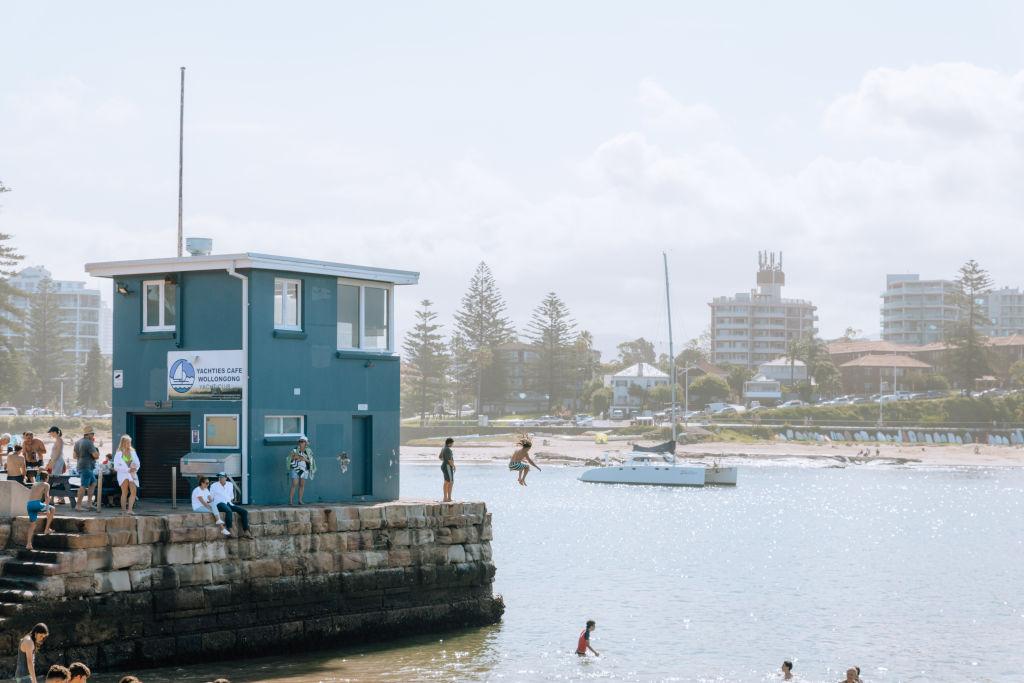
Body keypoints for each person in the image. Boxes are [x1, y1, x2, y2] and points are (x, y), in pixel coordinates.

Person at [210, 472, 251, 539]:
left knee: (244, 511)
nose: (220, 478)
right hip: (219, 503)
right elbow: (210, 497)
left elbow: (231, 497)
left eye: (222, 476)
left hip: (228, 503)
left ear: (226, 478)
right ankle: (230, 530)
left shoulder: (230, 484)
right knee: (229, 511)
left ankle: (246, 531)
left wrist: (231, 504)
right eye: (219, 477)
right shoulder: (214, 485)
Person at [26, 472, 55, 551]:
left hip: (29, 504)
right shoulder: (46, 484)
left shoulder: (35, 484)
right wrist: (48, 508)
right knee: (52, 509)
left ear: (39, 477)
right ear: (47, 477)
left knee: (32, 525)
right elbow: (47, 496)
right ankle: (46, 529)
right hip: (36, 503)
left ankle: (28, 543)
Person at [74, 428, 101, 513]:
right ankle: (78, 505)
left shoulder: (78, 442)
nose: (93, 436)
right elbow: (96, 456)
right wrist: (94, 447)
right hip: (87, 466)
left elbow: (74, 456)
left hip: (80, 465)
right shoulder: (89, 442)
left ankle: (88, 503)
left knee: (93, 482)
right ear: (89, 434)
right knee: (83, 485)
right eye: (92, 434)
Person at [113, 435, 141, 516]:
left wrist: (135, 469)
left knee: (134, 491)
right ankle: (124, 511)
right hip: (123, 474)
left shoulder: (133, 452)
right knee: (124, 492)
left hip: (132, 474)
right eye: (127, 442)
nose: (129, 444)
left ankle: (130, 510)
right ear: (123, 443)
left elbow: (138, 463)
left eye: (130, 442)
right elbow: (116, 467)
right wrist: (127, 470)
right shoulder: (119, 453)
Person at [286, 436, 315, 505]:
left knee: (302, 485)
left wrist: (304, 459)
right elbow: (289, 459)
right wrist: (293, 457)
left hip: (304, 470)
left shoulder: (309, 451)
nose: (300, 443)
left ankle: (300, 500)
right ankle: (290, 500)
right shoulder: (295, 449)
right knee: (294, 484)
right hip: (295, 468)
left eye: (302, 441)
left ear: (305, 443)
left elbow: (311, 461)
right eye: (299, 441)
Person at [440, 437, 455, 502]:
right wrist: (454, 466)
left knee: (446, 481)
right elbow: (449, 460)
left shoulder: (443, 448)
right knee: (450, 482)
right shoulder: (448, 449)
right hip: (448, 466)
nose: (453, 444)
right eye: (452, 443)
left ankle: (445, 498)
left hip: (444, 465)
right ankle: (448, 498)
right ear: (449, 443)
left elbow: (440, 458)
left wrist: (445, 461)